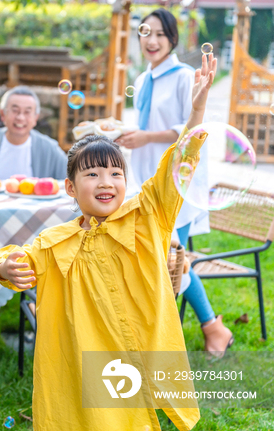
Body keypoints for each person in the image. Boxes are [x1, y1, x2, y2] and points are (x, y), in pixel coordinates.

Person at [0, 54, 217, 431]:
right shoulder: (55, 241)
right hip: (73, 357)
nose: (106, 182)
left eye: (115, 173)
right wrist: (5, 266)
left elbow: (179, 162)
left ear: (126, 182)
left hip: (125, 360)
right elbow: (15, 256)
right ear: (70, 188)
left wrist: (197, 109)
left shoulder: (148, 216)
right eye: (92, 175)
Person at [115, 8, 233, 355]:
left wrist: (147, 137)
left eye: (159, 34)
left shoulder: (183, 76)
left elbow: (190, 128)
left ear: (172, 39)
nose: (151, 41)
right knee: (163, 259)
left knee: (172, 260)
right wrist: (133, 136)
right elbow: (150, 126)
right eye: (145, 33)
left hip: (180, 183)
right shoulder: (147, 76)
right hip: (151, 180)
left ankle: (213, 327)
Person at [0, 85, 67, 180]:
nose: (20, 118)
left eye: (27, 112)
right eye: (15, 110)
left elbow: (71, 176)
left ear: (36, 118)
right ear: (3, 114)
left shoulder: (49, 147)